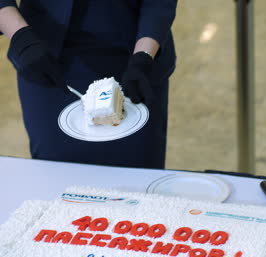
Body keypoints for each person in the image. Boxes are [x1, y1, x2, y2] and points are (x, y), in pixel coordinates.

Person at [0, 0, 177, 169]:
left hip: (137, 60)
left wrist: (143, 57)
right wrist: (22, 38)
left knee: (138, 183)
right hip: (45, 59)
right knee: (57, 183)